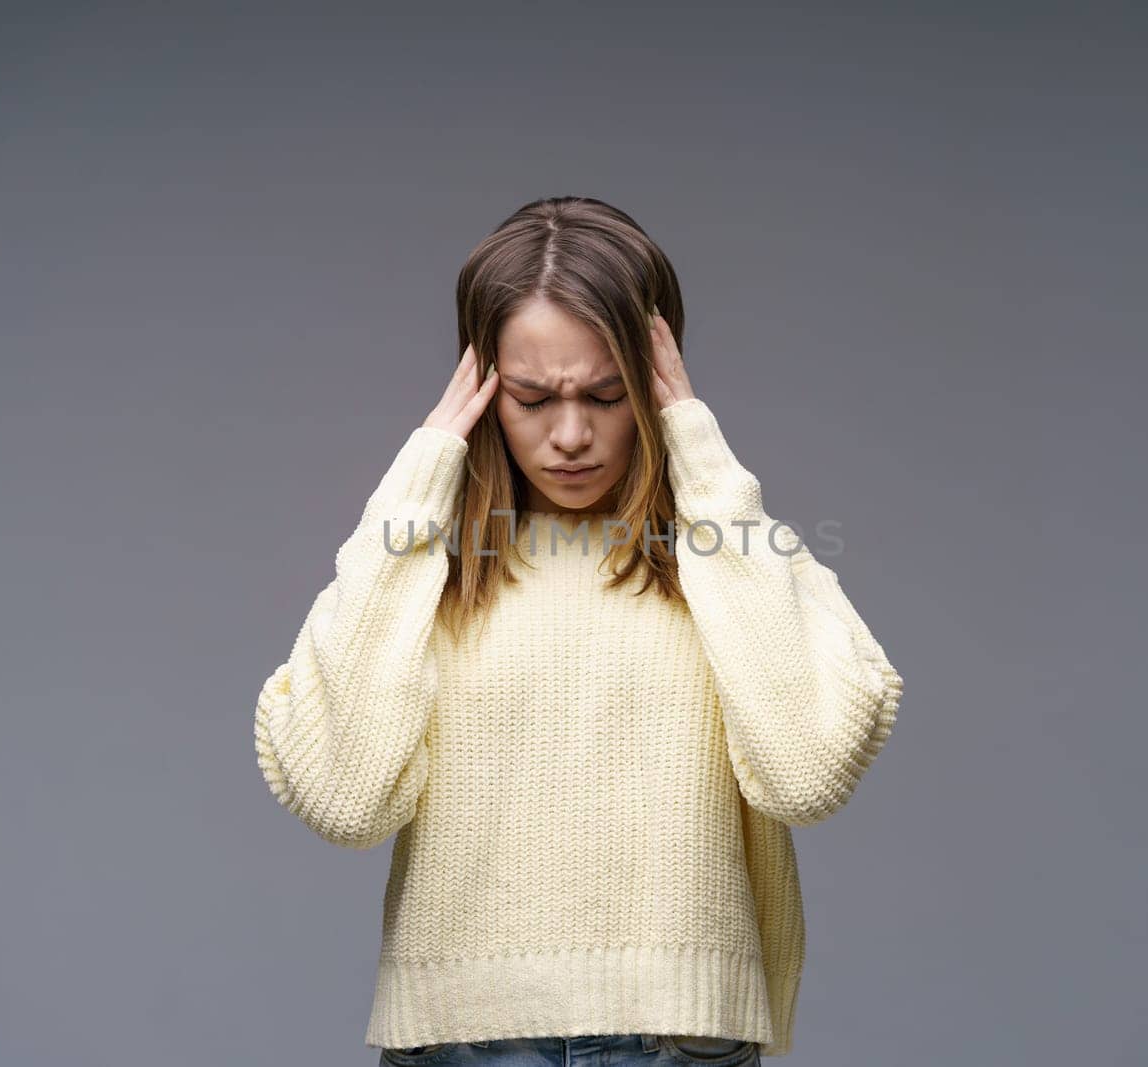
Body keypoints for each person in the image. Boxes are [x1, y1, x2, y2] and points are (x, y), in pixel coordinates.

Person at [252, 196, 905, 1065]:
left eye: (607, 393)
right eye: (531, 397)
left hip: (679, 1040)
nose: (570, 435)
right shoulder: (424, 568)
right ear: (480, 386)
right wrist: (418, 480)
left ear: (656, 379)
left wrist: (701, 461)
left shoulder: (731, 554)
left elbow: (807, 775)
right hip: (463, 1042)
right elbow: (344, 795)